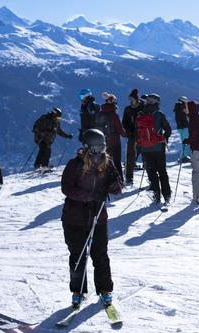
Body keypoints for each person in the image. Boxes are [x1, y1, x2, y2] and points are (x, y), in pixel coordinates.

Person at [61, 129, 123, 308]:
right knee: (78, 256)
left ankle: (105, 290)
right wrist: (89, 196)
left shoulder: (108, 163)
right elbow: (67, 188)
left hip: (99, 217)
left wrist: (114, 185)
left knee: (100, 255)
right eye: (95, 148)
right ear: (86, 147)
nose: (98, 152)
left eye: (101, 148)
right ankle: (78, 291)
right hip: (75, 218)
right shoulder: (75, 164)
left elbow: (118, 186)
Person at [136, 93, 172, 205]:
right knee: (162, 171)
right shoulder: (159, 114)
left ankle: (156, 195)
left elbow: (137, 131)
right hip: (158, 147)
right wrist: (164, 138)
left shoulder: (141, 114)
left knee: (151, 172)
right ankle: (167, 195)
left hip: (145, 149)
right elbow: (168, 129)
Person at [99, 92, 127, 183]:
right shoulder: (114, 115)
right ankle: (119, 181)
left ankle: (106, 181)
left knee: (106, 162)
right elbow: (120, 130)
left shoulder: (100, 114)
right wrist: (127, 134)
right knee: (117, 162)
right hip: (115, 142)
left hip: (104, 142)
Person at [122, 89, 143, 185]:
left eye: (132, 99)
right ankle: (129, 178)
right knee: (130, 156)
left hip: (142, 134)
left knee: (146, 155)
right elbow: (124, 122)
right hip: (132, 135)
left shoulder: (143, 108)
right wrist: (129, 131)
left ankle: (152, 176)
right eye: (129, 99)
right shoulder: (128, 109)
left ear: (136, 99)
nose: (130, 101)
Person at [174, 96, 191, 163]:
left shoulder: (177, 107)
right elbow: (187, 114)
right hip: (185, 127)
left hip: (180, 127)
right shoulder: (182, 107)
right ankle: (185, 156)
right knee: (187, 142)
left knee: (183, 142)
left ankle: (183, 156)